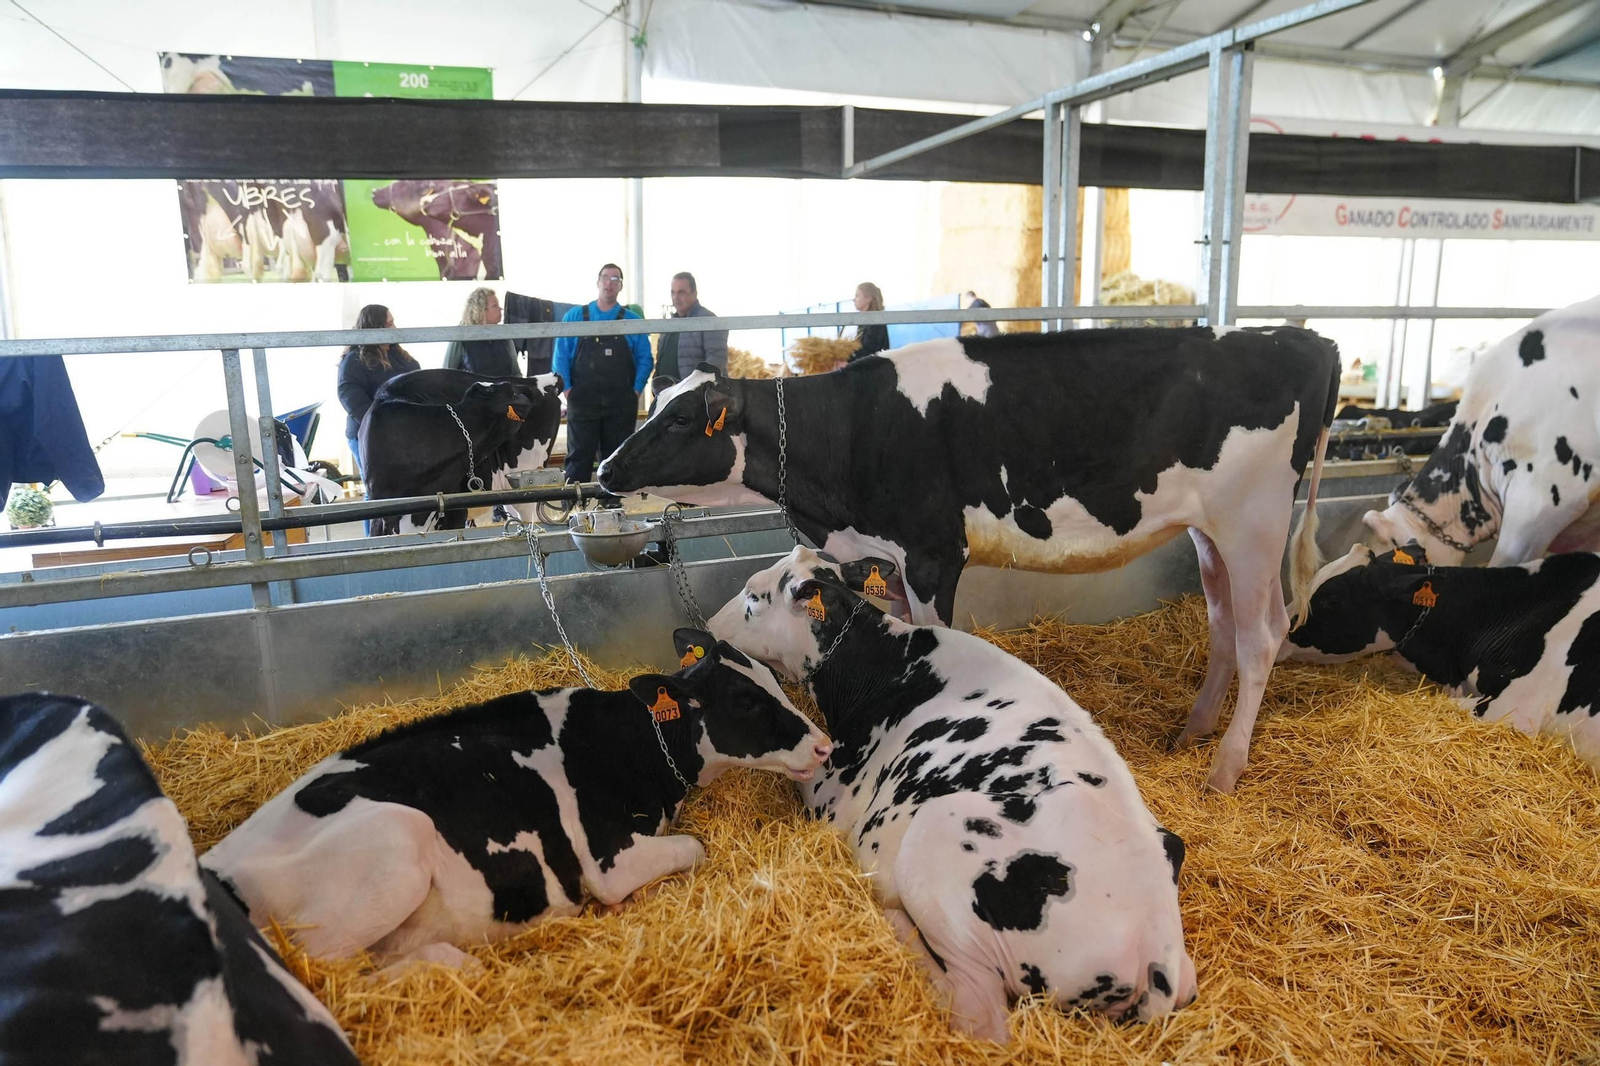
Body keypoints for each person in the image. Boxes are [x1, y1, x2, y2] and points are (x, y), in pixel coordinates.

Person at [553, 263, 653, 483]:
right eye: (605, 277)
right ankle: (573, 505)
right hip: (582, 401)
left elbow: (646, 359)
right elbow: (560, 357)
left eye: (615, 279)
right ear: (598, 282)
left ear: (621, 286)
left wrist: (635, 390)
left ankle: (612, 506)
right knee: (579, 456)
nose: (609, 283)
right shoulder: (575, 317)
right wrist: (567, 390)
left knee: (617, 458)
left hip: (620, 403)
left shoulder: (631, 321)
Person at [337, 304, 419, 478]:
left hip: (399, 434)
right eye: (389, 324)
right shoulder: (354, 361)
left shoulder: (399, 355)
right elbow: (352, 400)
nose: (394, 328)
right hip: (368, 436)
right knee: (377, 487)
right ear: (376, 328)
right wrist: (380, 425)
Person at [656, 272, 729, 381]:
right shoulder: (669, 325)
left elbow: (716, 360)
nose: (676, 297)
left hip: (694, 394)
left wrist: (697, 389)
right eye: (673, 292)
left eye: (681, 292)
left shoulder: (708, 320)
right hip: (669, 394)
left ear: (694, 293)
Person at [443, 288, 519, 377]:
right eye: (495, 305)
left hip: (503, 390)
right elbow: (446, 374)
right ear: (481, 310)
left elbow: (516, 373)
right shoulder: (461, 336)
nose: (501, 309)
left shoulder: (504, 336)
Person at [845, 281, 890, 362]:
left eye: (857, 296)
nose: (854, 299)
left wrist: (847, 358)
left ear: (868, 298)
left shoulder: (875, 321)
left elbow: (869, 350)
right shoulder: (865, 321)